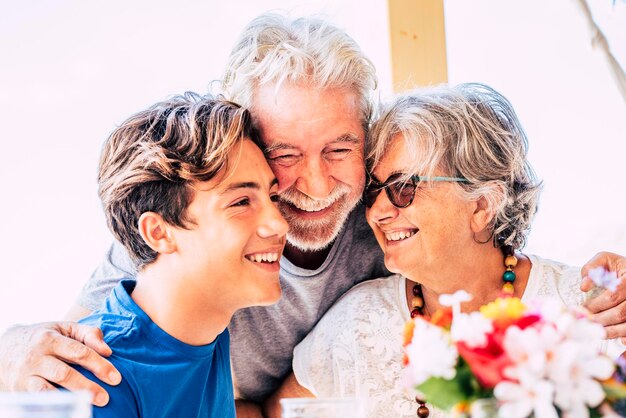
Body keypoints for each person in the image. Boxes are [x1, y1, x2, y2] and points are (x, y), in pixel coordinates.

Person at [0, 13, 625, 418]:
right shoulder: (174, 252)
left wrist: (610, 287)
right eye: (283, 156)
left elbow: (490, 251)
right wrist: (12, 351)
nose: (317, 185)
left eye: (342, 150)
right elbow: (73, 355)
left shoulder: (383, 222)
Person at [291, 83, 626, 418]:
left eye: (402, 187)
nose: (377, 211)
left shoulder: (593, 311)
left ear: (482, 204)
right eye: (373, 190)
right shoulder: (356, 324)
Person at [71, 92, 288, 417]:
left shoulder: (206, 338)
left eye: (272, 197)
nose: (280, 224)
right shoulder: (95, 379)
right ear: (159, 233)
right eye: (242, 202)